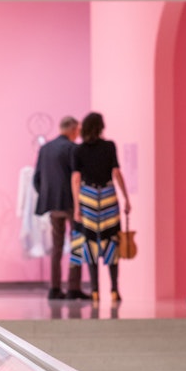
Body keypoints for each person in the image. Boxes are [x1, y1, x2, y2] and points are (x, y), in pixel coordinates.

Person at [71, 111, 131, 305]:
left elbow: (76, 178)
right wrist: (126, 198)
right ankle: (114, 289)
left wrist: (76, 207)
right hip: (107, 195)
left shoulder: (78, 150)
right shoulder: (109, 146)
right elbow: (116, 172)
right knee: (111, 240)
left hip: (88, 196)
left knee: (90, 244)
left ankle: (95, 290)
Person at [33, 115, 88, 300]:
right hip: (72, 203)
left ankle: (55, 287)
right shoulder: (73, 148)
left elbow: (37, 178)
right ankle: (74, 287)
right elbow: (77, 177)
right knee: (76, 244)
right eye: (78, 131)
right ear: (73, 130)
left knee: (56, 247)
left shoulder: (45, 148)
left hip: (52, 204)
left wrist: (46, 196)